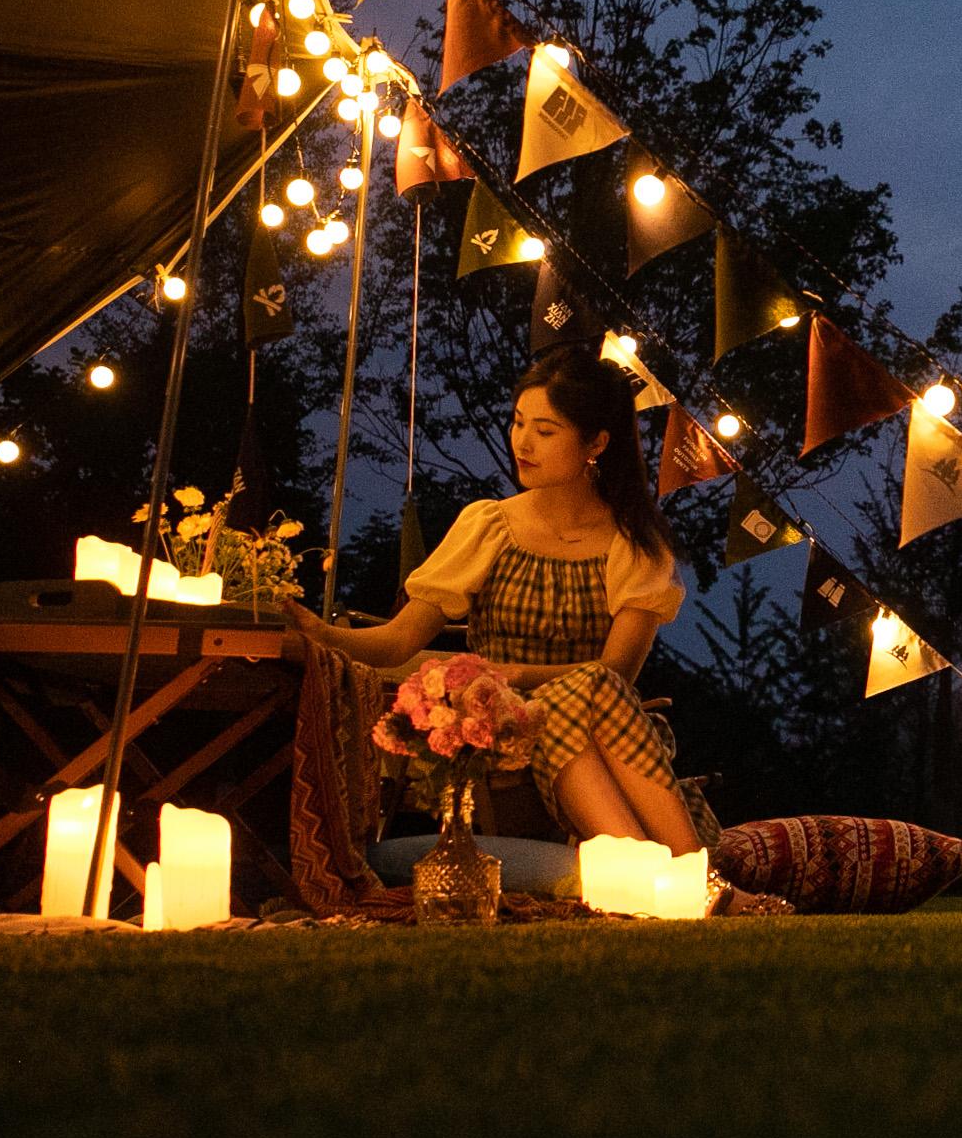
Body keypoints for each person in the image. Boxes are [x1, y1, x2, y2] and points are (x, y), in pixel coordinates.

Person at [286, 347, 713, 886]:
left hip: (599, 731)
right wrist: (322, 634)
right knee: (574, 695)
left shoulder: (633, 544)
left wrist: (515, 676)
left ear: (597, 444)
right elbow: (398, 642)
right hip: (498, 731)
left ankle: (656, 876)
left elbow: (617, 674)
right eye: (517, 423)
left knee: (584, 692)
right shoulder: (490, 525)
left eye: (546, 430)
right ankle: (693, 877)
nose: (522, 442)